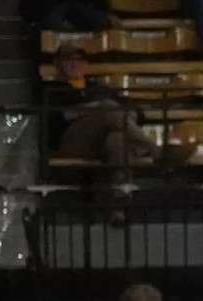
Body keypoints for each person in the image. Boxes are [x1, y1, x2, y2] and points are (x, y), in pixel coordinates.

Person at [44, 45, 169, 201]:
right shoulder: (50, 89)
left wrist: (129, 112)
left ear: (86, 64)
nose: (74, 64)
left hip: (102, 140)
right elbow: (54, 119)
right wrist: (92, 109)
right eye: (68, 60)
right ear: (57, 64)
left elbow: (136, 110)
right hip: (71, 142)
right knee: (107, 107)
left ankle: (118, 206)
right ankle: (153, 150)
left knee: (117, 140)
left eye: (79, 60)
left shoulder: (98, 88)